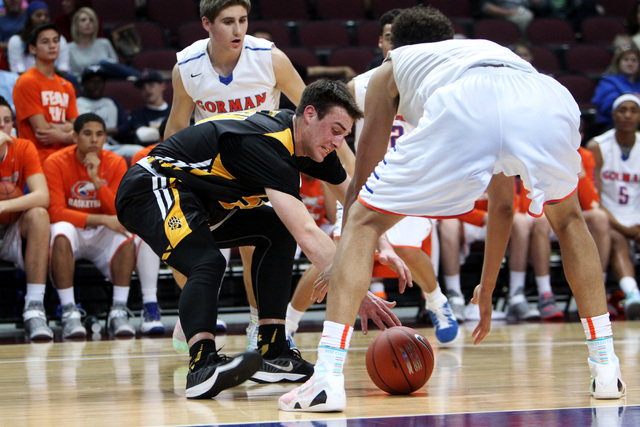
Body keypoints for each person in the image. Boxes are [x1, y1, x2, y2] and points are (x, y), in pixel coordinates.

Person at [280, 6, 626, 412]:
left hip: (464, 102)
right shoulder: (488, 51)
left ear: (396, 46)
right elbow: (501, 206)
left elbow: (363, 176)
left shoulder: (395, 65)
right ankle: (606, 367)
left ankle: (326, 377)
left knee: (361, 218)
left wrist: (346, 254)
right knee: (569, 221)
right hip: (544, 96)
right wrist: (487, 287)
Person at [116, 80, 406, 400]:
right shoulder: (268, 146)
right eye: (336, 130)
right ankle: (202, 364)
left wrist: (384, 245)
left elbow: (354, 198)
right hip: (152, 187)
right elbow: (307, 231)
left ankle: (272, 350)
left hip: (203, 201)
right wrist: (355, 289)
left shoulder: (309, 146)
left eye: (344, 135)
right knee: (207, 260)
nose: (339, 142)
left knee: (274, 230)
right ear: (309, 114)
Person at [43, 113, 137, 339]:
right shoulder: (55, 162)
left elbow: (117, 211)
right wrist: (103, 219)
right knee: (60, 231)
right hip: (74, 230)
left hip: (100, 234)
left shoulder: (115, 162)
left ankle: (118, 310)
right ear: (74, 136)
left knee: (126, 234)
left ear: (105, 138)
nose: (94, 140)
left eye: (99, 134)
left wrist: (96, 182)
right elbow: (55, 212)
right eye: (87, 134)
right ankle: (69, 312)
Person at [438, 192, 539, 324]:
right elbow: (450, 206)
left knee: (520, 222)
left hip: (496, 219)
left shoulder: (499, 171)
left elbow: (510, 203)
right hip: (467, 219)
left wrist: (495, 217)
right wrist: (482, 217)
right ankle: (454, 296)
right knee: (448, 224)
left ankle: (517, 294)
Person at [0, 95, 52, 341]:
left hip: (12, 228)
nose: (3, 127)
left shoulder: (23, 147)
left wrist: (4, 206)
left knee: (39, 215)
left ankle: (34, 306)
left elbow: (42, 196)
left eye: (7, 121)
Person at [586, 93, 640, 321]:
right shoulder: (597, 146)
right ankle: (632, 294)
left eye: (633, 110)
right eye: (622, 110)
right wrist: (625, 228)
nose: (628, 115)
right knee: (616, 238)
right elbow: (592, 195)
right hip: (607, 216)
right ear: (613, 114)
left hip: (636, 217)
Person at [12, 22, 78, 165]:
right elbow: (42, 131)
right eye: (45, 41)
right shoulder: (26, 82)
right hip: (37, 159)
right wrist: (68, 131)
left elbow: (78, 127)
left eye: (55, 41)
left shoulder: (67, 86)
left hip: (66, 157)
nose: (52, 45)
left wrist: (60, 133)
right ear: (32, 49)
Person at [76, 64, 142, 163]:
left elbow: (126, 125)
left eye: (100, 82)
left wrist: (109, 131)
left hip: (112, 144)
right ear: (84, 84)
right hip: (88, 146)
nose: (96, 85)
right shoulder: (77, 102)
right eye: (92, 82)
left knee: (139, 151)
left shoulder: (111, 101)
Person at [67, 7, 139, 82]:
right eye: (83, 20)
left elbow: (115, 66)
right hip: (84, 83)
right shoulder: (69, 48)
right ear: (76, 25)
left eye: (91, 20)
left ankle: (140, 77)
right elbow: (72, 74)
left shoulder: (104, 43)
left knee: (104, 64)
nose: (88, 23)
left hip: (107, 81)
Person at [7, 1, 70, 76]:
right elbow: (18, 71)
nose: (43, 19)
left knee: (70, 78)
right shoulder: (16, 41)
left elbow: (63, 68)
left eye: (46, 16)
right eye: (38, 15)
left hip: (54, 78)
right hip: (25, 81)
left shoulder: (60, 39)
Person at [592, 45, 640, 132]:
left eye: (634, 60)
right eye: (626, 60)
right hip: (611, 127)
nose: (630, 63)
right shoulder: (608, 82)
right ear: (618, 63)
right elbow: (607, 106)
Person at [129, 70, 171, 146]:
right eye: (143, 87)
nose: (147, 90)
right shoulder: (137, 114)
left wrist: (153, 127)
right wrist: (170, 126)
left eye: (151, 85)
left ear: (163, 86)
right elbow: (143, 136)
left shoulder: (174, 109)